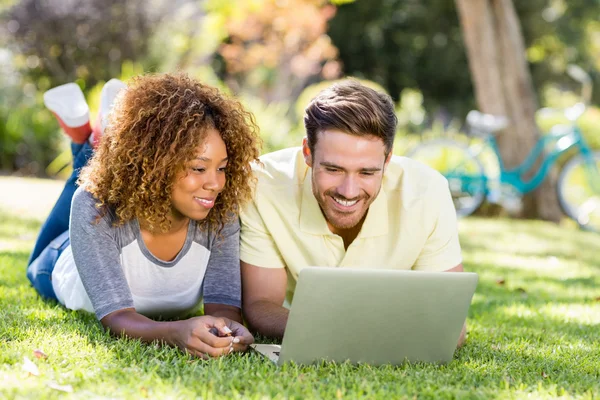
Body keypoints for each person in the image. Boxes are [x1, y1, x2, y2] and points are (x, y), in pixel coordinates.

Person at [27, 73, 261, 358]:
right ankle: (87, 140)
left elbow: (223, 305)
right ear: (155, 165)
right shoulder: (95, 207)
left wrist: (229, 330)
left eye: (222, 168)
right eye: (199, 168)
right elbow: (117, 318)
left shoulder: (220, 213)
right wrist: (176, 332)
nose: (215, 183)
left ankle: (100, 133)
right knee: (84, 185)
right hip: (62, 259)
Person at [239, 79, 466, 345]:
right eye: (333, 169)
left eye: (367, 172)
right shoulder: (263, 184)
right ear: (308, 152)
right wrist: (351, 332)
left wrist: (344, 331)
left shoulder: (427, 193)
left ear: (388, 159)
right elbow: (261, 305)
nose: (348, 191)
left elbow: (450, 323)